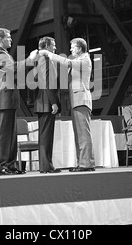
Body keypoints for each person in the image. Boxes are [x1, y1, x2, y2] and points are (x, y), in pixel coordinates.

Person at [39, 38, 95, 172]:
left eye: (73, 47)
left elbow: (67, 62)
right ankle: (82, 162)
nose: (71, 50)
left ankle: (86, 164)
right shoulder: (80, 60)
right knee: (79, 134)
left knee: (83, 134)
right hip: (77, 101)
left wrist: (49, 55)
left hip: (81, 100)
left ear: (80, 48)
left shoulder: (84, 60)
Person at [0, 27, 38, 175]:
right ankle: (0, 166)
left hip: (9, 98)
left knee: (11, 134)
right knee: (4, 134)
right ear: (0, 39)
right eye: (8, 37)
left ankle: (10, 165)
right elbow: (13, 68)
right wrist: (29, 60)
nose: (11, 39)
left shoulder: (4, 54)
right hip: (4, 97)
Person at [34, 37, 60, 174]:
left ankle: (47, 165)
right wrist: (54, 102)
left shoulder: (39, 59)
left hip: (42, 100)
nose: (55, 48)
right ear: (47, 46)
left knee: (46, 136)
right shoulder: (45, 59)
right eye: (53, 45)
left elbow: (36, 78)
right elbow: (48, 82)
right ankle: (46, 166)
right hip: (46, 102)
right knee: (46, 136)